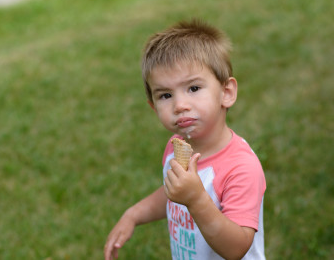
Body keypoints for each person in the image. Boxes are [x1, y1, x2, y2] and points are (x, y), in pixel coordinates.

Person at [104, 19, 266, 260]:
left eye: (193, 88)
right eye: (166, 95)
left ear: (226, 93)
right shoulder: (175, 147)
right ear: (153, 106)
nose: (180, 105)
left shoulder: (241, 168)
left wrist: (197, 199)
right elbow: (174, 193)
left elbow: (236, 248)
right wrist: (134, 214)